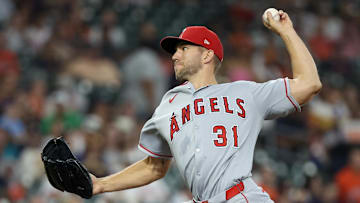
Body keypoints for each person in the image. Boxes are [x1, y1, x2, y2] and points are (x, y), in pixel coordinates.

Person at [90, 10, 322, 202]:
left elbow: (309, 83)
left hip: (241, 197)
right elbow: (154, 167)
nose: (174, 56)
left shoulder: (244, 92)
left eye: (184, 49)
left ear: (207, 55)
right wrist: (100, 184)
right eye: (175, 51)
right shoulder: (167, 105)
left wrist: (287, 31)